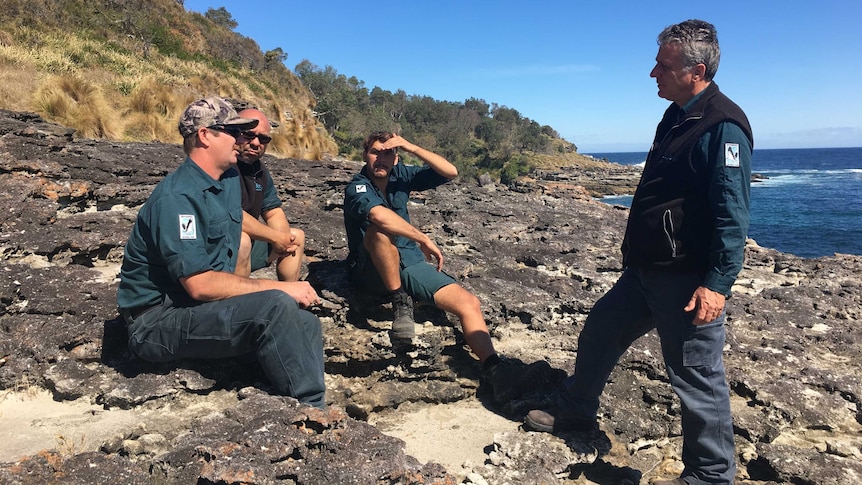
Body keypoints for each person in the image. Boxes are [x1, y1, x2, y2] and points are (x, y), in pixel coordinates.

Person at [524, 20, 752, 485]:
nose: (653, 73)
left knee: (697, 378)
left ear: (698, 70)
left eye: (663, 65)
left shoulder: (722, 125)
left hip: (686, 280)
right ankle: (576, 411)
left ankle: (710, 475)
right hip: (646, 270)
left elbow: (732, 213)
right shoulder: (675, 114)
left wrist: (718, 284)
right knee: (600, 333)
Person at [117, 97, 326, 409]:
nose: (242, 140)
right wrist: (281, 286)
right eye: (233, 132)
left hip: (192, 308)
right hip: (155, 322)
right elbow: (201, 284)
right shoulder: (177, 198)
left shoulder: (227, 179)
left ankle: (303, 396)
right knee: (277, 305)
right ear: (204, 135)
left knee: (304, 322)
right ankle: (309, 412)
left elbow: (242, 223)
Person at [343, 131, 550, 404]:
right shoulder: (357, 187)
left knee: (468, 303)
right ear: (364, 154)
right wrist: (423, 238)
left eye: (388, 153)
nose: (381, 158)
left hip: (410, 261)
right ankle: (400, 301)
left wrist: (412, 146)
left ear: (396, 157)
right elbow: (378, 215)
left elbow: (450, 172)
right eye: (375, 152)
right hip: (372, 270)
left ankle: (494, 372)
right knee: (379, 232)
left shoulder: (401, 175)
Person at [232, 108, 306, 282]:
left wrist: (284, 240)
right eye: (248, 135)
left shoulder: (260, 171)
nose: (256, 143)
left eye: (263, 139)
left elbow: (273, 211)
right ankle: (237, 302)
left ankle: (289, 296)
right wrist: (275, 237)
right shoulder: (224, 166)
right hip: (221, 244)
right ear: (233, 132)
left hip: (250, 243)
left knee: (296, 237)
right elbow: (234, 215)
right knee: (241, 240)